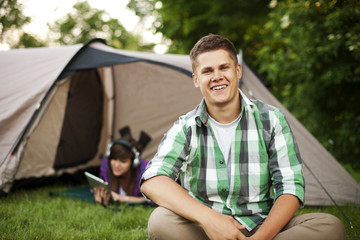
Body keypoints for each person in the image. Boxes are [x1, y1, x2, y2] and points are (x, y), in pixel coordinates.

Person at [140, 34, 346, 240]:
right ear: (196, 80)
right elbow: (153, 179)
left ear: (238, 71)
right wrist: (209, 219)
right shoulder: (185, 127)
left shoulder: (271, 119)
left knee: (329, 226)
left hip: (261, 225)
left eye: (224, 67)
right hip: (203, 229)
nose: (217, 76)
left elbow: (290, 187)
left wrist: (260, 238)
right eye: (207, 71)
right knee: (160, 221)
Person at [93, 126, 152, 206]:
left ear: (133, 162)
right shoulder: (106, 165)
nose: (117, 165)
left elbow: (153, 200)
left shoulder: (145, 172)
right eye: (114, 159)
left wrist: (123, 198)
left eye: (123, 161)